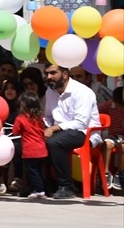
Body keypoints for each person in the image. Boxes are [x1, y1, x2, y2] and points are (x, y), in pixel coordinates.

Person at [42, 62, 98, 200]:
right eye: (47, 73)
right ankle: (40, 184)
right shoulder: (50, 91)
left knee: (55, 142)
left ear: (65, 74)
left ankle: (66, 186)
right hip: (60, 132)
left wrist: (53, 128)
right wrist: (44, 128)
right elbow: (48, 117)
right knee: (30, 140)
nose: (49, 77)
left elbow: (81, 123)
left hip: (84, 132)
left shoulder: (82, 92)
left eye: (53, 73)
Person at [13, 91, 49, 199]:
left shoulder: (21, 118)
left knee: (32, 172)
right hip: (42, 149)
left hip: (30, 150)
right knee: (40, 171)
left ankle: (39, 190)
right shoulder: (40, 118)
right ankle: (41, 189)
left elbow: (15, 131)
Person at [96, 86, 123, 191]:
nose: (121, 108)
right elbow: (96, 110)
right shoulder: (109, 105)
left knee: (123, 147)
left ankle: (120, 173)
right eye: (119, 106)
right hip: (113, 135)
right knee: (106, 145)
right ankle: (105, 173)